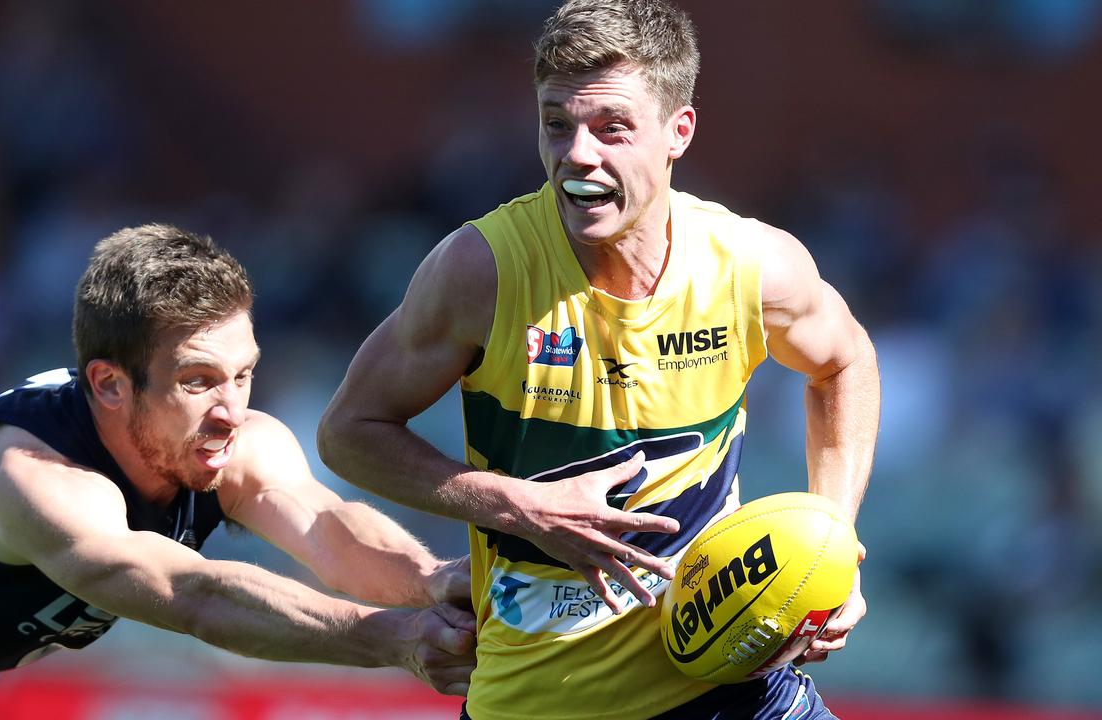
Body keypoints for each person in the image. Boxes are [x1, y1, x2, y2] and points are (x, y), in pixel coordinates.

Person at [316, 1, 880, 718]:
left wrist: (834, 542)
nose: (578, 153)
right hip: (539, 701)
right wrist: (520, 507)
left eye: (612, 129)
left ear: (679, 132)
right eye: (557, 123)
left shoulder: (753, 266)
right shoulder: (481, 270)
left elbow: (846, 364)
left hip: (733, 690)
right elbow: (347, 433)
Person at [0, 224, 476, 719]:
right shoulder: (31, 476)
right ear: (109, 384)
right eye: (197, 382)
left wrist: (437, 581)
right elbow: (197, 598)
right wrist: (396, 640)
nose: (230, 411)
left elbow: (328, 532)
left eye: (243, 374)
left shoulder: (229, 444)